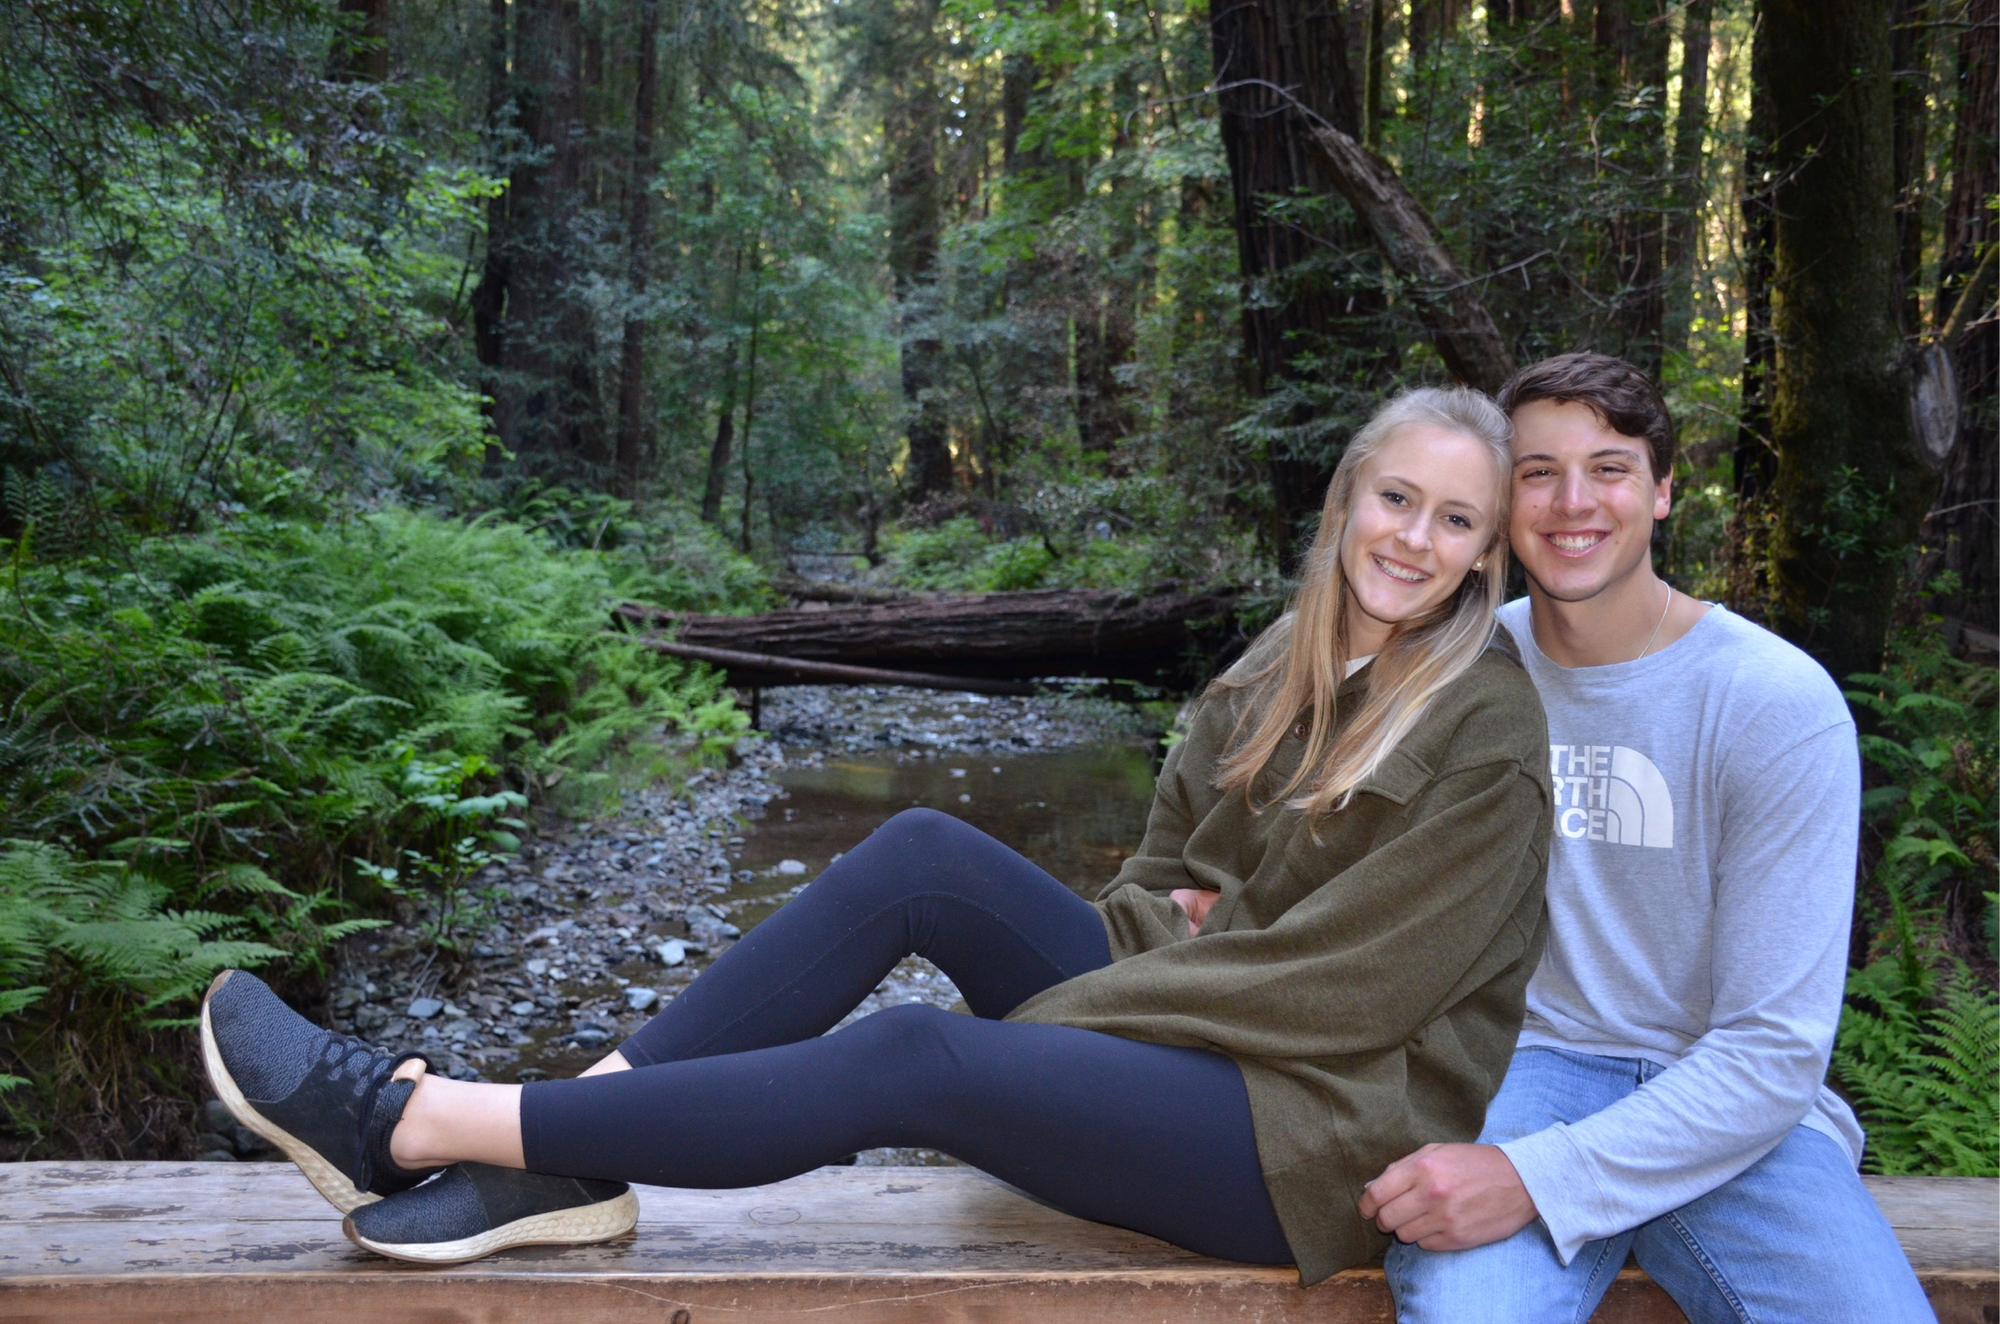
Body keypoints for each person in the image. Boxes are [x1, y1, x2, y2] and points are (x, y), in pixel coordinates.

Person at [200, 386, 1552, 1285]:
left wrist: (1136, 977)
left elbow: (1350, 990)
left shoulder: (1483, 729)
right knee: (922, 857)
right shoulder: (1286, 655)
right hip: (1193, 1020)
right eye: (1396, 499)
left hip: (1308, 1132)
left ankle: (415, 1119)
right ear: (1346, 496)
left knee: (915, 1057)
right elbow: (1162, 877)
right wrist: (1179, 939)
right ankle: (562, 1152)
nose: (1414, 540)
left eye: (1455, 522)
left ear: (1486, 555)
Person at [1363, 354, 1935, 1322]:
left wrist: (1538, 1178)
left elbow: (1770, 1050)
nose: (1570, 502)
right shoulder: (1455, 671)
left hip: (1729, 1105)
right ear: (1501, 502)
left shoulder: (1773, 703)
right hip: (1511, 1072)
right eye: (1537, 472)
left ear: (1663, 490)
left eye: (1610, 468)